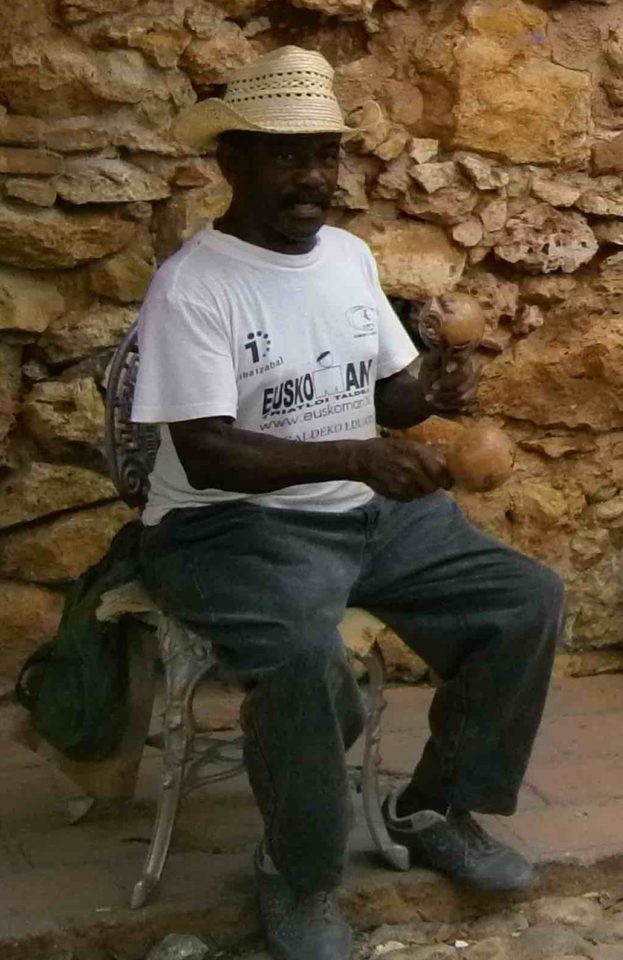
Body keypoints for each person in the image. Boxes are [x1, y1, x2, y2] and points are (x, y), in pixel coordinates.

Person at [134, 47, 566, 960]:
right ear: (233, 163)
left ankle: (431, 807)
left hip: (362, 510)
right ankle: (299, 874)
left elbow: (388, 398)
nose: (315, 179)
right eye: (289, 157)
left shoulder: (347, 258)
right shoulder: (195, 286)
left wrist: (433, 395)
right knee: (298, 658)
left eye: (325, 155)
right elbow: (204, 452)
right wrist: (364, 457)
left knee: (523, 601)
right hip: (226, 526)